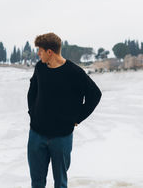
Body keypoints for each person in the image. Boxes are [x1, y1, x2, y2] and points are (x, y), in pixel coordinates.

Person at [27, 32, 102, 188]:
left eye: (40, 50)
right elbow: (32, 91)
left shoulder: (74, 72)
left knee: (60, 183)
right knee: (37, 182)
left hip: (61, 137)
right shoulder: (40, 67)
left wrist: (77, 118)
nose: (38, 54)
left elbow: (95, 95)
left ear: (49, 52)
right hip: (36, 135)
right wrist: (32, 113)